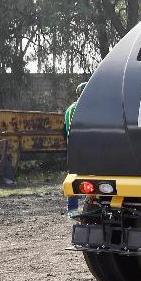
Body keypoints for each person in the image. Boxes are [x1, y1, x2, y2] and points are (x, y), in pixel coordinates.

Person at [64, 82, 87, 213]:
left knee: (75, 175)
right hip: (83, 147)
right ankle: (73, 208)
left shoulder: (69, 108)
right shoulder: (83, 107)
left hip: (73, 147)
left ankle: (72, 208)